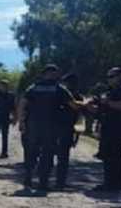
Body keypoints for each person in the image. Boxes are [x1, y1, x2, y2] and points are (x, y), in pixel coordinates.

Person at [19, 64, 79, 192]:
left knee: (31, 153)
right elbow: (73, 105)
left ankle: (28, 179)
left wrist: (22, 122)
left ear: (43, 74)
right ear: (55, 74)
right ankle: (43, 183)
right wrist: (85, 104)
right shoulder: (59, 88)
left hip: (33, 125)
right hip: (50, 126)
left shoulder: (33, 88)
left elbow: (22, 104)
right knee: (47, 153)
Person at [87, 67, 121, 192]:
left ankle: (116, 184)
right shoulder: (108, 92)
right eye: (108, 77)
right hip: (106, 127)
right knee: (106, 155)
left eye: (112, 76)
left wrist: (107, 102)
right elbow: (100, 108)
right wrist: (89, 106)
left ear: (120, 77)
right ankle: (108, 182)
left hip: (118, 127)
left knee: (115, 156)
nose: (109, 79)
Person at [55, 73, 84, 188]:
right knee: (62, 156)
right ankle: (59, 181)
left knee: (59, 155)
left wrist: (77, 134)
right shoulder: (76, 97)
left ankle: (57, 181)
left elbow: (79, 116)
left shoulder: (63, 94)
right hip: (64, 128)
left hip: (65, 128)